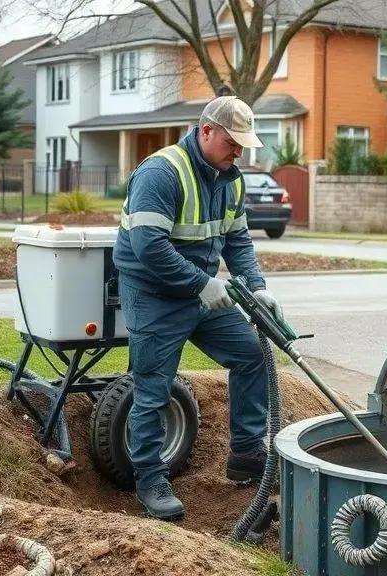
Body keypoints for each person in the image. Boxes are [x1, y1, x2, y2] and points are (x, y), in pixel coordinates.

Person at [112, 96, 283, 520]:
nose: (239, 151)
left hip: (203, 292)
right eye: (232, 142)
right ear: (206, 131)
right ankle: (150, 478)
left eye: (244, 144)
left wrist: (256, 288)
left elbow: (239, 241)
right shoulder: (161, 172)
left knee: (252, 354)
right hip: (155, 294)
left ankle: (245, 453)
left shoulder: (231, 178)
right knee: (153, 387)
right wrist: (201, 284)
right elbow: (148, 247)